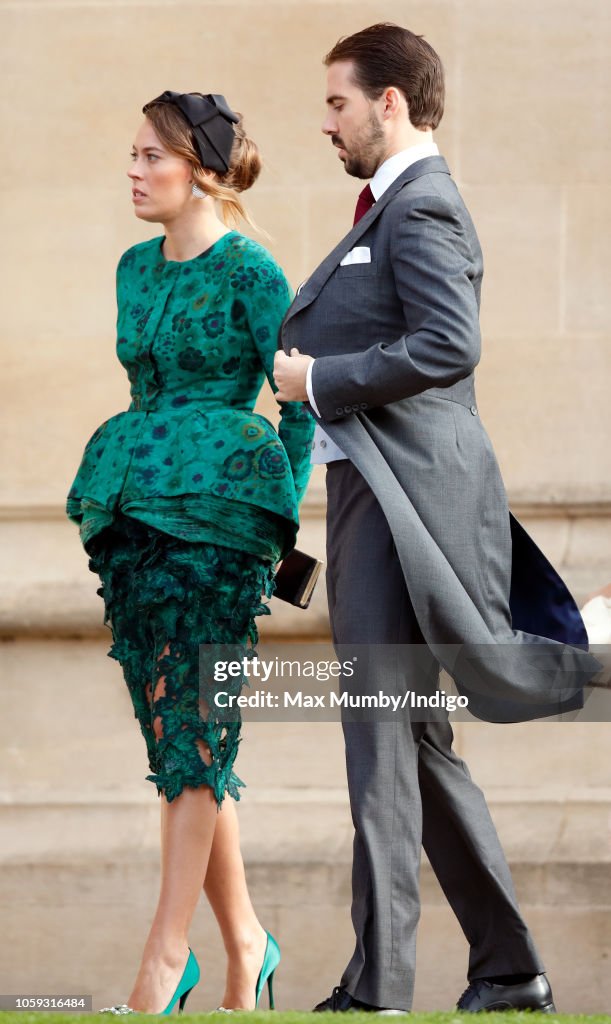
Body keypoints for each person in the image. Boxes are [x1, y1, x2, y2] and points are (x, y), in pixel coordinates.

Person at [274, 23, 599, 1013]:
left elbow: (447, 345)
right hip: (384, 495)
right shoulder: (391, 209)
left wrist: (316, 377)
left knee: (380, 727)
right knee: (412, 734)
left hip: (404, 498)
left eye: (336, 102)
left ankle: (381, 984)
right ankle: (507, 967)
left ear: (388, 103)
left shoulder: (420, 207)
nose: (323, 120)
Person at [66, 90, 314, 1014]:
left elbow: (298, 410)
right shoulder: (133, 268)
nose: (133, 172)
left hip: (223, 524)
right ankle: (248, 942)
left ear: (202, 168)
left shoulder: (256, 274)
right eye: (130, 156)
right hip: (132, 514)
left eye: (149, 157)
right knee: (177, 736)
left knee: (193, 733)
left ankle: (166, 956)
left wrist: (275, 525)